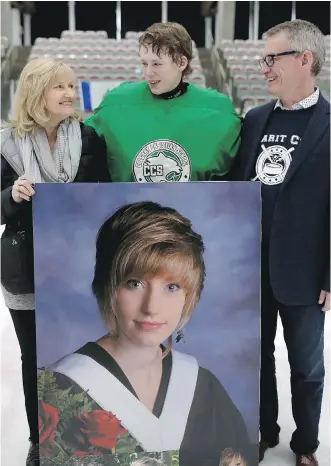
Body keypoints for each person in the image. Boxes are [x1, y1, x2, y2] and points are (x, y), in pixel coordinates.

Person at [37, 201, 254, 466]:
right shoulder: (62, 389)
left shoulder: (204, 387)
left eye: (172, 287)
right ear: (108, 287)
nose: (152, 307)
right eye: (134, 283)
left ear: (190, 295)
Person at [227, 20, 330, 466]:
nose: (264, 68)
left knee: (307, 368)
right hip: (252, 266)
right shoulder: (255, 119)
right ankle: (264, 431)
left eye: (273, 58)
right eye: (264, 59)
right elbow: (234, 187)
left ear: (304, 60)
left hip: (306, 272)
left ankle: (305, 444)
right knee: (257, 358)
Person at [1, 57, 109, 466]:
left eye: (71, 85)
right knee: (35, 361)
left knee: (82, 356)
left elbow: (106, 200)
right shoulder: (5, 144)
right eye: (58, 86)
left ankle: (82, 441)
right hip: (25, 271)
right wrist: (11, 196)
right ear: (35, 92)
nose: (69, 93)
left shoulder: (90, 139)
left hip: (80, 268)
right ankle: (39, 441)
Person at [83, 22, 241, 182]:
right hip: (130, 206)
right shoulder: (116, 102)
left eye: (157, 64)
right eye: (144, 63)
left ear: (181, 63)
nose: (148, 73)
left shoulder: (219, 111)